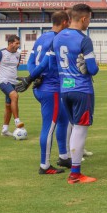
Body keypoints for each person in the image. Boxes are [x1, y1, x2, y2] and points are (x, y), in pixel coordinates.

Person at [53, 3, 99, 184]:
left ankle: (73, 167)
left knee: (73, 127)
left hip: (65, 88)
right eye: (89, 19)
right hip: (82, 89)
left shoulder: (57, 38)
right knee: (80, 129)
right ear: (83, 18)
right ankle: (75, 173)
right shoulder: (83, 39)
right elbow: (93, 69)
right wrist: (87, 66)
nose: (88, 23)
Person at [25, 10, 70, 175]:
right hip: (51, 88)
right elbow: (47, 63)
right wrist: (35, 76)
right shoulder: (58, 38)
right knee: (49, 127)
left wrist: (34, 76)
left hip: (41, 85)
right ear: (65, 22)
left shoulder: (41, 38)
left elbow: (30, 61)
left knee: (64, 118)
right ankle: (44, 165)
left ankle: (64, 156)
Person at [0, 34, 24, 136]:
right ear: (10, 43)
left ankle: (5, 129)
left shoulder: (18, 55)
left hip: (13, 82)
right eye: (16, 43)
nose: (18, 45)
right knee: (14, 95)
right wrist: (0, 79)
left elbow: (15, 67)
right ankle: (17, 121)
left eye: (19, 43)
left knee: (8, 106)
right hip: (3, 81)